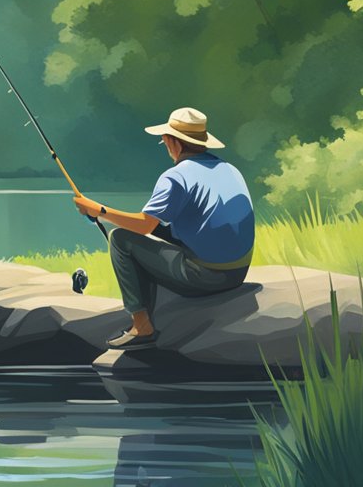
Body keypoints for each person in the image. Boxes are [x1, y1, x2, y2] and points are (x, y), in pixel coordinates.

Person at [71, 107, 255, 349]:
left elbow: (144, 224)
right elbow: (159, 225)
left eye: (165, 141)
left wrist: (100, 211)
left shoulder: (175, 176)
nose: (165, 146)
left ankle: (141, 326)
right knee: (154, 229)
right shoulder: (230, 170)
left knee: (120, 240)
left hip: (207, 277)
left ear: (174, 143)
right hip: (238, 273)